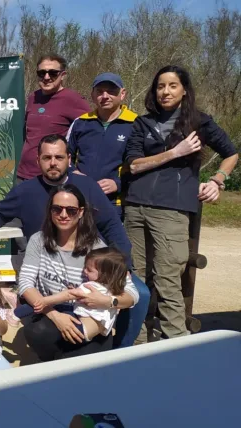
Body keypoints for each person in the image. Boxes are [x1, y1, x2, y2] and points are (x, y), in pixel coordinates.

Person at [0, 134, 149, 349]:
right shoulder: (26, 191)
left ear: (69, 159)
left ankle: (121, 350)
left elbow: (112, 225)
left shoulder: (87, 186)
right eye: (47, 158)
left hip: (89, 266)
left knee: (141, 295)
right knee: (44, 330)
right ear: (38, 161)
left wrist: (123, 264)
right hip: (48, 268)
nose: (53, 163)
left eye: (58, 157)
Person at [125, 65, 238, 341]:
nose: (165, 91)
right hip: (135, 206)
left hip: (172, 210)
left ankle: (174, 342)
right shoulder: (142, 123)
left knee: (167, 279)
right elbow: (133, 165)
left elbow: (231, 153)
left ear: (184, 89)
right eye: (160, 86)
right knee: (133, 278)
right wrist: (175, 152)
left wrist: (217, 180)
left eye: (172, 85)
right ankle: (135, 340)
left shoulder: (199, 122)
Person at [18, 184, 139, 361]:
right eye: (57, 209)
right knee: (37, 332)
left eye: (71, 210)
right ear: (50, 211)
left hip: (89, 315)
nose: (63, 215)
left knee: (81, 359)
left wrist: (106, 300)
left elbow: (132, 294)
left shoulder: (97, 249)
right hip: (54, 311)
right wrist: (54, 315)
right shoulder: (39, 240)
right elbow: (25, 284)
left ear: (81, 212)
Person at [67, 73, 137, 217]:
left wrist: (118, 184)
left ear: (122, 94)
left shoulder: (135, 124)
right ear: (92, 95)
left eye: (111, 91)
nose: (105, 96)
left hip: (115, 203)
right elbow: (64, 157)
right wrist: (73, 174)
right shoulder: (81, 123)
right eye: (99, 91)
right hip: (80, 199)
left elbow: (141, 166)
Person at [28, 247, 128, 342]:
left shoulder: (91, 287)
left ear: (104, 274)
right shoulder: (113, 289)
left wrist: (45, 301)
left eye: (89, 270)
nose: (84, 271)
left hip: (78, 330)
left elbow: (68, 295)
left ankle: (17, 313)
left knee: (48, 306)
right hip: (94, 333)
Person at [16, 54, 89, 182]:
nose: (46, 77)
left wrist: (80, 169)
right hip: (24, 174)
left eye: (53, 73)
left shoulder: (73, 99)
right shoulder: (33, 97)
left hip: (53, 176)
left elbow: (91, 133)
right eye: (41, 73)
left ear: (63, 75)